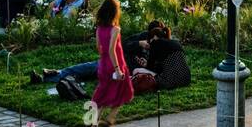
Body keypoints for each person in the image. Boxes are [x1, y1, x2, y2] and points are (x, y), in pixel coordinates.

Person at [31, 22, 165, 86]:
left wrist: (146, 64)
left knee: (86, 72)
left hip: (122, 72)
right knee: (83, 69)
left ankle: (54, 75)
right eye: (150, 36)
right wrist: (138, 44)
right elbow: (122, 46)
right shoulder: (141, 37)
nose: (151, 40)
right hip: (113, 63)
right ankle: (52, 75)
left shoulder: (160, 48)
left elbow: (156, 69)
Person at [86, 0, 134, 127]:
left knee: (103, 96)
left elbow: (99, 48)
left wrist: (105, 61)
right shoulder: (115, 29)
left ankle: (94, 125)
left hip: (103, 65)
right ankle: (109, 119)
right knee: (125, 91)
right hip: (115, 64)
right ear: (115, 12)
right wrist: (118, 69)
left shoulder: (99, 29)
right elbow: (111, 50)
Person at [130, 26, 191, 91]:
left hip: (169, 81)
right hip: (186, 79)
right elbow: (164, 67)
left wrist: (145, 65)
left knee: (136, 70)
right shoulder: (176, 43)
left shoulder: (155, 43)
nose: (149, 42)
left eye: (149, 40)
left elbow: (151, 67)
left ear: (154, 36)